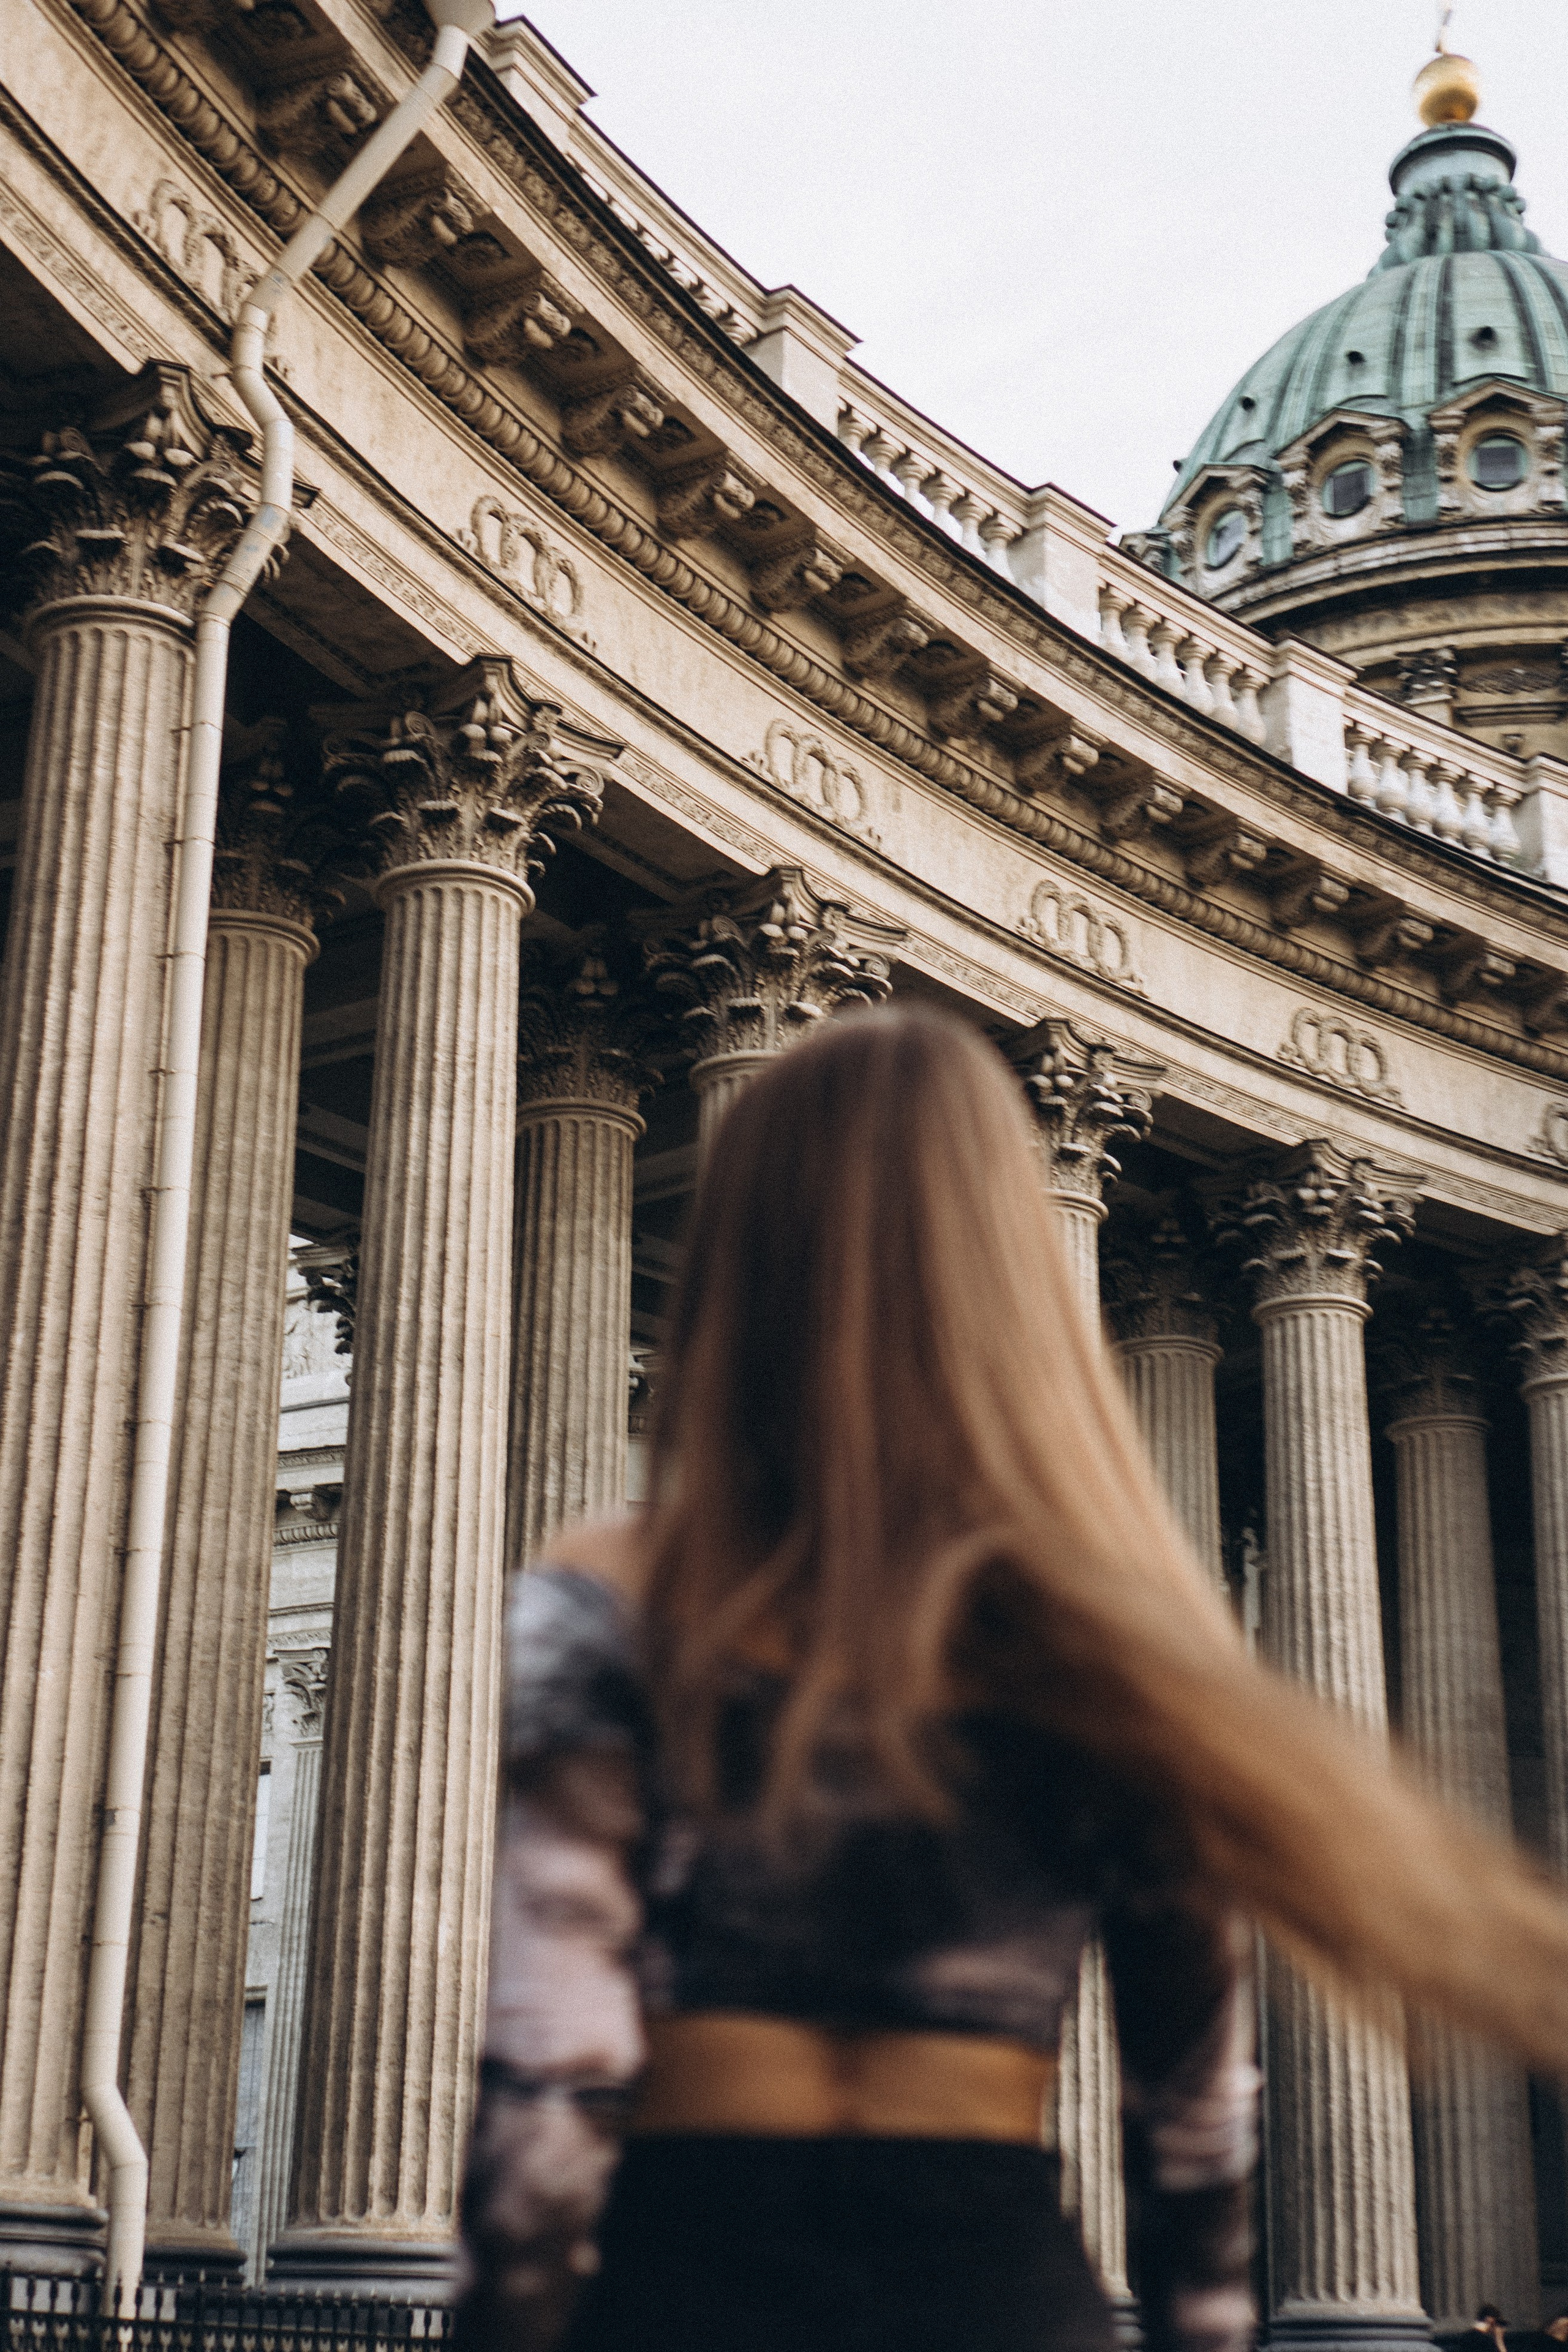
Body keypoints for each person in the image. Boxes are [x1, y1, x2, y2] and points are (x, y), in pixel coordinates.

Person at [454, 1004, 1568, 2352]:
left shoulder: (617, 1587)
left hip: (684, 2276)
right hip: (994, 2289)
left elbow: (552, 2067)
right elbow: (1193, 2125)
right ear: (1010, 1271)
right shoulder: (1107, 1634)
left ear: (741, 1260)